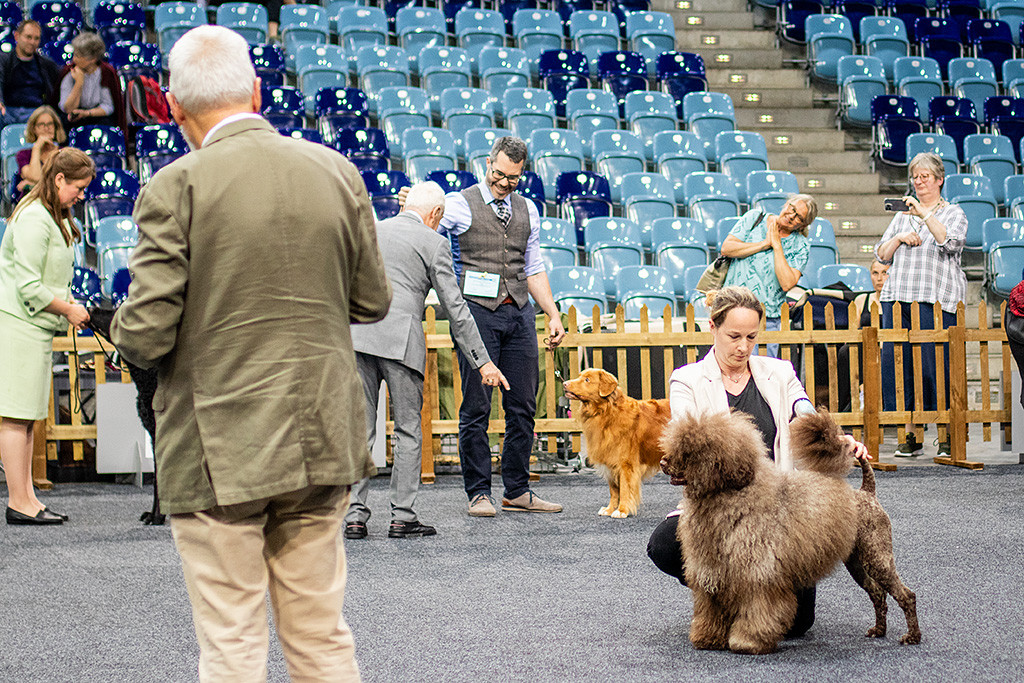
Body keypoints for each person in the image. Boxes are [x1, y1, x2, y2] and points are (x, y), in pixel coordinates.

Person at [109, 25, 390, 681]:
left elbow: (145, 334)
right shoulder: (336, 171)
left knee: (231, 645)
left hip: (217, 449)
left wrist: (121, 320)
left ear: (174, 112)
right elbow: (372, 301)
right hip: (320, 436)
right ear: (258, 91)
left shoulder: (174, 187)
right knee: (321, 636)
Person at [646, 286, 869, 637]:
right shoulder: (687, 379)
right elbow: (686, 430)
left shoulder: (779, 372)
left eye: (751, 337)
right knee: (663, 544)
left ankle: (757, 595)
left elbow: (801, 408)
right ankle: (729, 596)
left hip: (776, 504)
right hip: (717, 502)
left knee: (797, 625)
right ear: (712, 328)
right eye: (733, 336)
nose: (743, 347)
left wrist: (834, 438)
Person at [345, 181, 509, 540]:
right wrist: (483, 362)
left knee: (360, 430)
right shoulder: (434, 242)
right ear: (435, 214)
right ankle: (402, 517)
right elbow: (455, 308)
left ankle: (354, 517)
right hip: (402, 343)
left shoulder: (369, 231)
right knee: (407, 431)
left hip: (358, 337)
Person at [437, 135, 567, 517]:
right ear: (488, 162)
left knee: (523, 404)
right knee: (476, 406)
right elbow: (425, 228)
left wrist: (553, 312)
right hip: (476, 314)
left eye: (513, 178)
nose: (504, 183)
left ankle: (517, 489)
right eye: (499, 174)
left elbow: (533, 267)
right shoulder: (459, 205)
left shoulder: (529, 210)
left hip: (521, 312)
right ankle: (478, 492)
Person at [0, 147, 94, 526]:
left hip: (34, 327)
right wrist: (67, 309)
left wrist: (69, 303)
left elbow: (49, 279)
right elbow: (28, 286)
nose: (82, 195)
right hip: (18, 325)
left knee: (26, 418)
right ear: (59, 180)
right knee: (14, 417)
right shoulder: (34, 220)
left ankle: (29, 498)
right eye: (78, 187)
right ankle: (18, 501)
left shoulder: (50, 217)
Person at [874, 152, 968, 457]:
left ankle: (944, 436)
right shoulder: (902, 215)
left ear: (939, 180)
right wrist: (900, 236)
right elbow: (881, 255)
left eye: (925, 176)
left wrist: (925, 215)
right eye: (915, 177)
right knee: (900, 367)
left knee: (934, 368)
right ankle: (909, 435)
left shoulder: (954, 212)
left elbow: (950, 243)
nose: (919, 182)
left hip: (936, 300)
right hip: (898, 297)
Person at [719, 194, 815, 357]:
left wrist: (777, 246)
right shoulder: (754, 218)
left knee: (763, 372)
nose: (791, 216)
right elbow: (727, 248)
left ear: (803, 225)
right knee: (729, 364)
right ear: (786, 205)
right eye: (792, 209)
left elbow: (787, 283)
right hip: (732, 310)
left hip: (768, 317)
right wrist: (764, 244)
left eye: (799, 217)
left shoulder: (801, 246)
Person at [56, 32, 125, 131]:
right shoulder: (69, 72)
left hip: (96, 115)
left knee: (106, 124)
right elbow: (67, 109)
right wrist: (78, 83)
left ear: (93, 59)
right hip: (74, 116)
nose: (73, 59)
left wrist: (86, 113)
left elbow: (108, 107)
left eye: (78, 56)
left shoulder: (105, 73)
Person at [0, 21, 61, 128]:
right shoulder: (4, 61)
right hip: (9, 110)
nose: (32, 42)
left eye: (36, 38)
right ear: (17, 36)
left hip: (36, 111)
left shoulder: (47, 65)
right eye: (28, 37)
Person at [16, 105, 66, 196]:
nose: (46, 128)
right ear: (34, 129)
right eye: (41, 125)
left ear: (56, 127)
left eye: (50, 124)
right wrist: (37, 148)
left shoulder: (64, 153)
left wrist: (35, 184)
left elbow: (66, 183)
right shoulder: (23, 155)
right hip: (32, 200)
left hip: (59, 199)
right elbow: (35, 176)